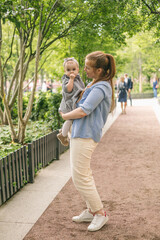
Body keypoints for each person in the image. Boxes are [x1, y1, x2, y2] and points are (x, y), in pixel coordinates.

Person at [60, 51, 116, 232]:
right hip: (80, 133)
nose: (84, 69)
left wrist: (65, 116)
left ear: (99, 70)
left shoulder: (100, 88)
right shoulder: (96, 83)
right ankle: (92, 211)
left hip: (86, 135)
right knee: (82, 174)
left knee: (80, 177)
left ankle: (100, 213)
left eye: (88, 67)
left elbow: (84, 110)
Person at [57, 57, 85, 146]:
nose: (71, 72)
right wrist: (71, 80)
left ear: (78, 69)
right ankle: (63, 135)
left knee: (71, 120)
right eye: (68, 70)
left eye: (73, 69)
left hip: (74, 103)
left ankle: (63, 131)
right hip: (68, 105)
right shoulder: (67, 79)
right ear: (65, 71)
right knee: (70, 118)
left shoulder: (78, 78)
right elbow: (68, 89)